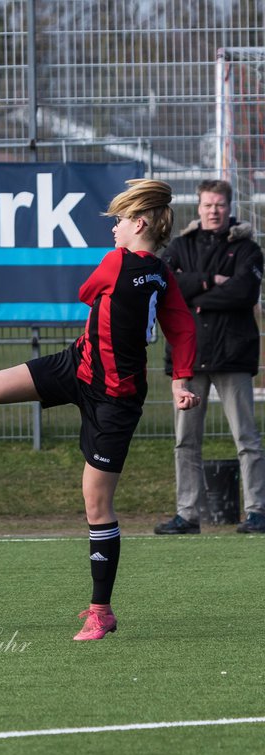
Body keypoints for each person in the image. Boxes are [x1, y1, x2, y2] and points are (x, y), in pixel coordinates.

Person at [0, 179, 200, 641]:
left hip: (115, 400)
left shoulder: (119, 262)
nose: (113, 228)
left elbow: (86, 291)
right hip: (79, 364)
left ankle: (101, 611)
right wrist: (181, 381)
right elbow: (182, 327)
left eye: (118, 221)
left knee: (97, 504)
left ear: (138, 223)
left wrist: (177, 377)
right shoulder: (161, 273)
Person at [154, 178, 265, 535]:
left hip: (233, 356)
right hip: (188, 357)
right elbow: (168, 285)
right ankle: (187, 515)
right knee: (186, 441)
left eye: (219, 205)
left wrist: (194, 296)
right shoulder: (179, 246)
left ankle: (257, 511)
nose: (213, 210)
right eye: (207, 205)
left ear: (229, 207)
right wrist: (210, 281)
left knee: (246, 439)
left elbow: (243, 293)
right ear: (198, 208)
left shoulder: (248, 249)